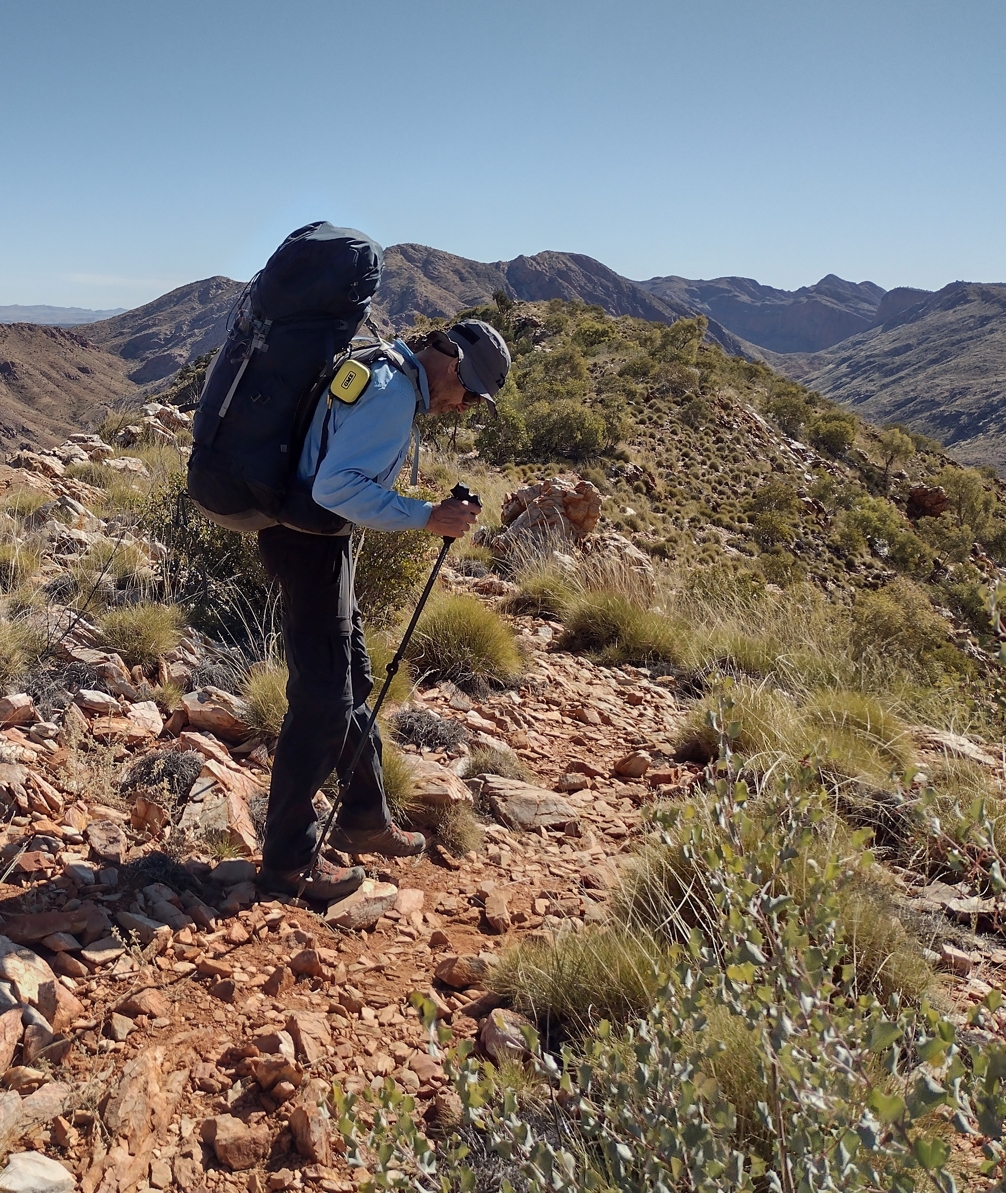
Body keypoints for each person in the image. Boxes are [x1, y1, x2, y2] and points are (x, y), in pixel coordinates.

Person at [256, 319, 512, 902]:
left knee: (353, 679)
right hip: (309, 543)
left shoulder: (389, 377)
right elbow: (334, 488)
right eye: (469, 392)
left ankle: (364, 818)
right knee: (323, 701)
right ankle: (287, 863)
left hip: (321, 540)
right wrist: (427, 517)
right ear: (451, 363)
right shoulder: (392, 394)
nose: (465, 406)